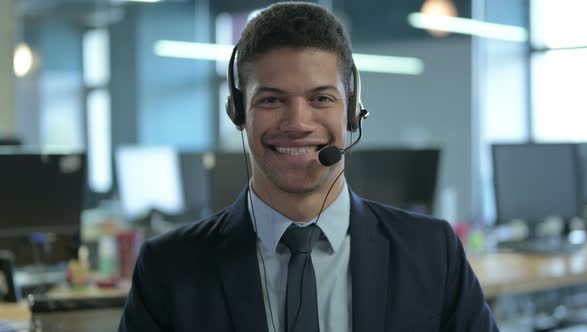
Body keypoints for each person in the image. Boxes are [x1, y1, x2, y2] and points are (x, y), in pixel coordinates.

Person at [118, 2, 499, 331]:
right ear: (238, 112)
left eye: (320, 98)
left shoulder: (431, 251)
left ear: (352, 111)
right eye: (271, 100)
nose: (298, 123)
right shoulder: (169, 268)